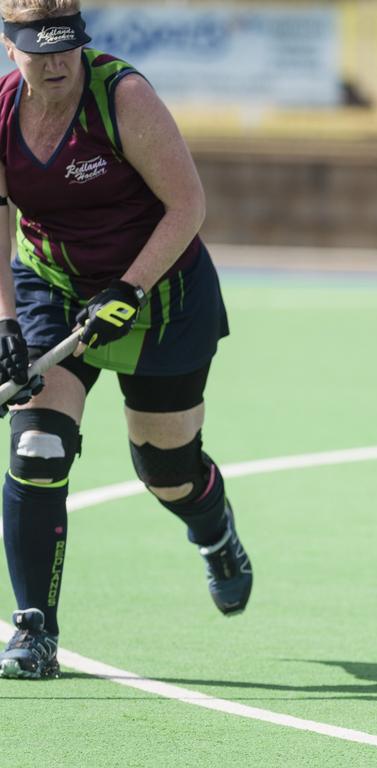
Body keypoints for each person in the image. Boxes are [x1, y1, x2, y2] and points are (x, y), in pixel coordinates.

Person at [0, 0, 252, 680]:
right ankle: (34, 631)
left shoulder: (123, 97)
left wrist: (129, 289)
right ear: (8, 44)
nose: (55, 62)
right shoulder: (0, 112)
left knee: (166, 474)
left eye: (65, 46)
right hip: (50, 286)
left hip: (161, 298)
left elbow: (187, 205)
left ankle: (214, 532)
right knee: (38, 446)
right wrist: (5, 322)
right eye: (36, 48)